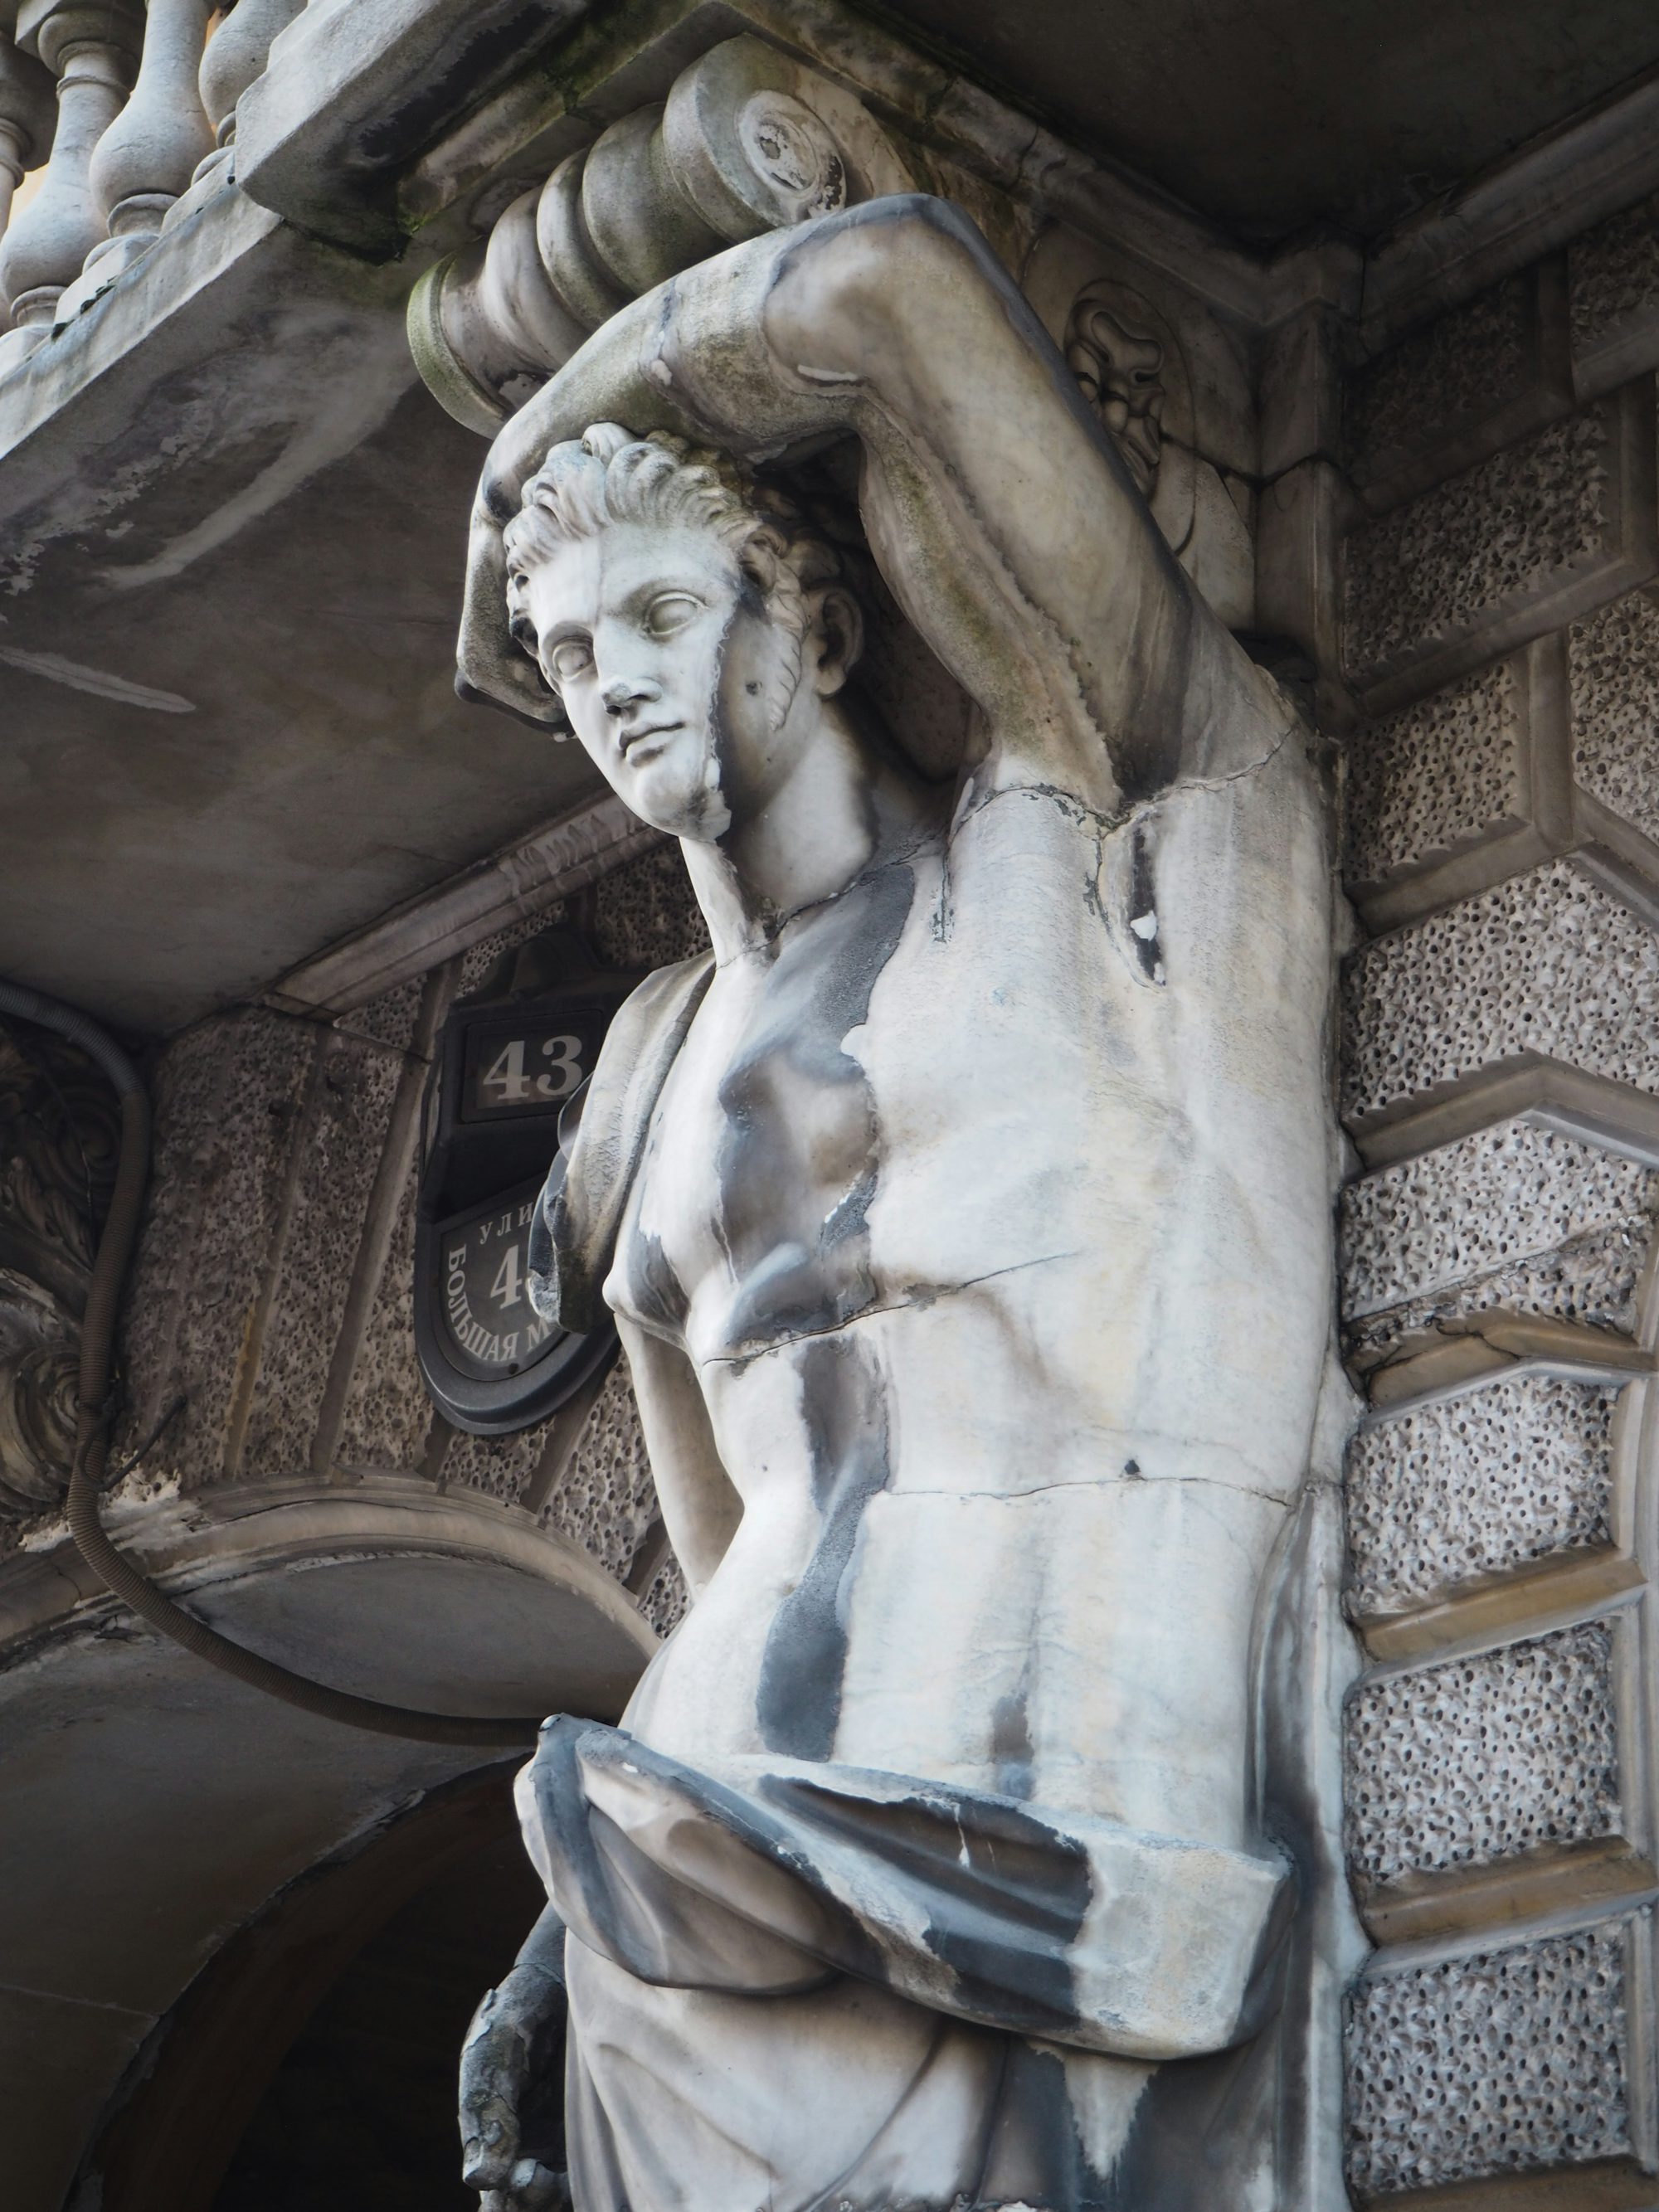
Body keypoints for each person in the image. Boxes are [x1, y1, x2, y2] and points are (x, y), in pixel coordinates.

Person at [455, 193, 1338, 2212]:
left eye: (665, 615)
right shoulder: (650, 1080)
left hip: (1042, 1864)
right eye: (571, 651)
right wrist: (554, 1936)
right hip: (687, 1869)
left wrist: (533, 437)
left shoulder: (1106, 839)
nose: (614, 685)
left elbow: (887, 289)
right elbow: (708, 1556)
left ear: (817, 623)